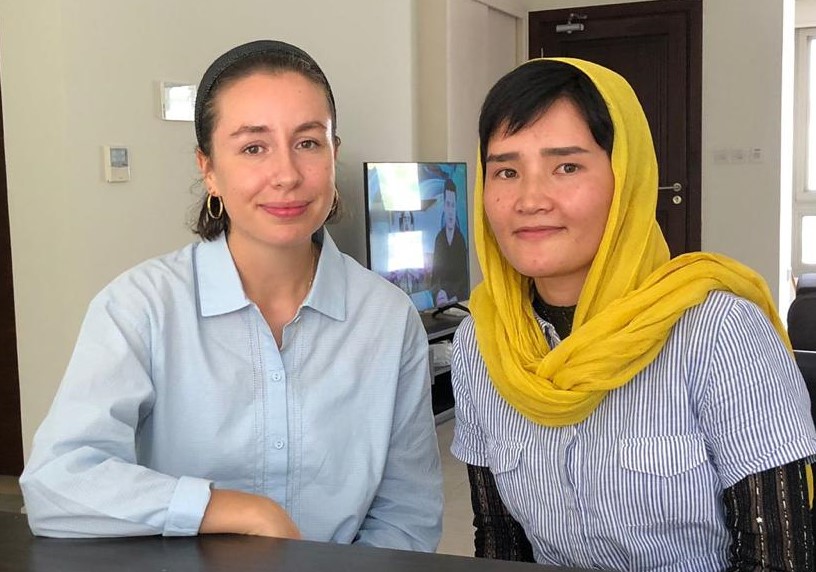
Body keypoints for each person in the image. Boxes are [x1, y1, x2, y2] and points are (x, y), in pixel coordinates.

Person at [20, 40, 443, 550]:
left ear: (334, 153)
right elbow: (57, 483)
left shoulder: (387, 317)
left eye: (308, 143)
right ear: (209, 169)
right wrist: (235, 509)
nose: (286, 174)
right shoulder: (141, 306)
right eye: (253, 147)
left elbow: (408, 512)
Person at [450, 57, 816, 570]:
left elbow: (780, 559)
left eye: (567, 167)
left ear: (627, 180)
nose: (530, 199)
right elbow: (501, 544)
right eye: (506, 171)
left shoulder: (718, 333)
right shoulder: (480, 342)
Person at [431, 178, 468, 306]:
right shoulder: (439, 239)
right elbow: (434, 278)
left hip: (457, 302)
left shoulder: (461, 240)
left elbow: (464, 281)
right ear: (444, 207)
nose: (451, 211)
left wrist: (453, 298)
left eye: (453, 205)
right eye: (448, 204)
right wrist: (438, 294)